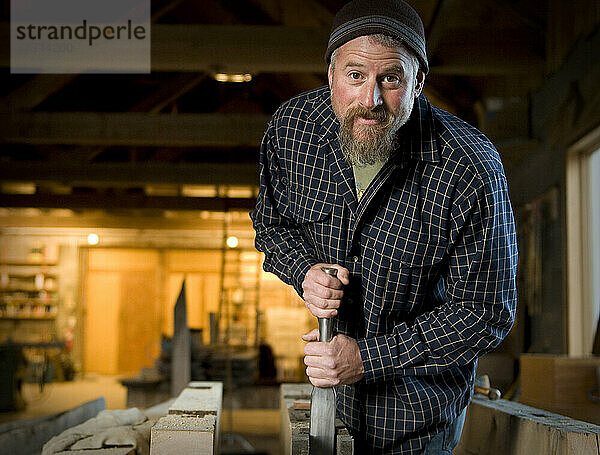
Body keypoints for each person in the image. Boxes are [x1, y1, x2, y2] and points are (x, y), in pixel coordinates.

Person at [250, 0, 518, 453]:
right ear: (331, 74)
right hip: (327, 405)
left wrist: (367, 358)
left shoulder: (470, 167)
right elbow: (271, 226)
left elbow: (485, 311)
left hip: (416, 416)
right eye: (355, 75)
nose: (370, 100)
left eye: (390, 79)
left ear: (418, 82)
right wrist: (303, 272)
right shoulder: (291, 131)